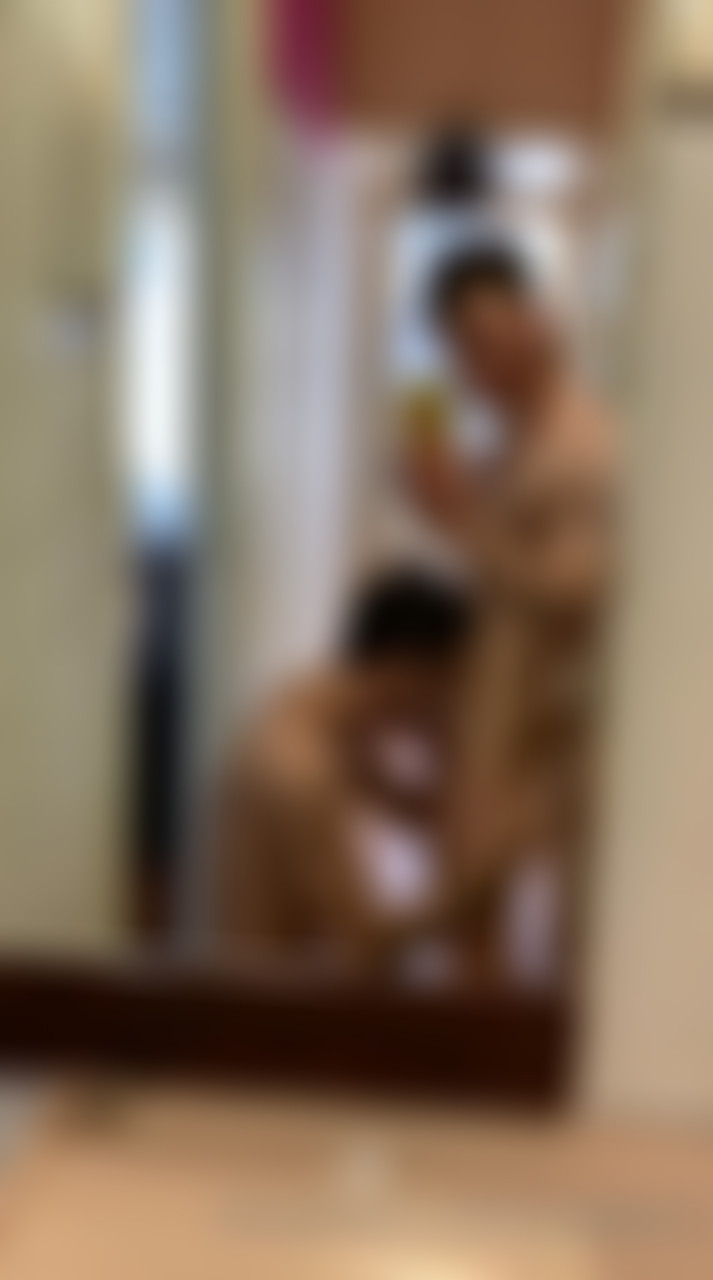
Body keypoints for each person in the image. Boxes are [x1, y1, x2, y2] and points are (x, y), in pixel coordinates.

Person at [401, 242, 618, 976]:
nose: (470, 369)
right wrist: (461, 503)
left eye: (482, 343)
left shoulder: (583, 444)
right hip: (511, 713)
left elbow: (578, 592)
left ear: (537, 325)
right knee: (476, 908)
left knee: (571, 933)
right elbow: (506, 580)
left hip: (564, 719)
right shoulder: (516, 439)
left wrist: (462, 520)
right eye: (458, 350)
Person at [213, 569, 476, 980]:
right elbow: (366, 943)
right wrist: (478, 887)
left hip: (255, 987)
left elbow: (399, 795)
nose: (451, 710)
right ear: (410, 670)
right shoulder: (303, 767)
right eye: (452, 686)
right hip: (263, 1004)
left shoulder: (300, 707)